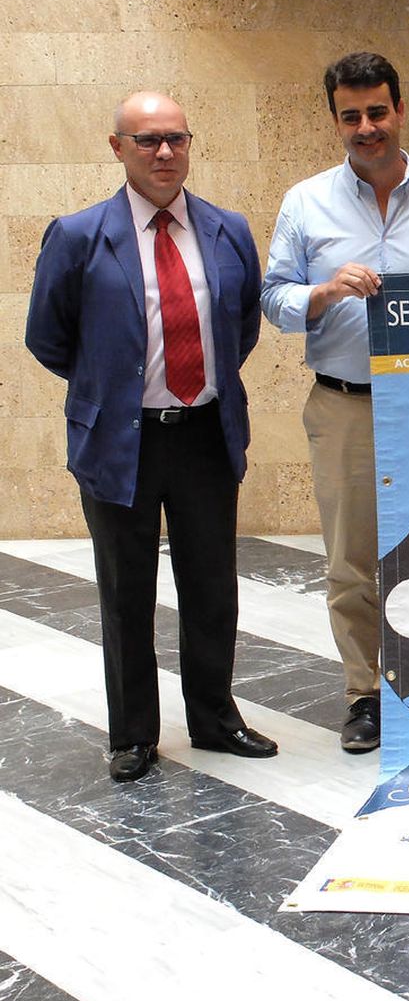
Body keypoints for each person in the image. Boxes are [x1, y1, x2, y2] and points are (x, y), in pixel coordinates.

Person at [25, 92, 277, 781]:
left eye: (176, 138)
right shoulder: (79, 236)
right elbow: (46, 337)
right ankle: (133, 734)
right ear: (117, 148)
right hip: (120, 439)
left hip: (203, 434)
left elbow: (241, 326)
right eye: (147, 141)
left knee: (211, 586)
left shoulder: (227, 231)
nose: (164, 153)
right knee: (125, 589)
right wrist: (109, 384)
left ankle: (216, 719)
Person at [262, 53, 409, 753]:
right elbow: (273, 297)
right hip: (346, 405)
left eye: (377, 111)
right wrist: (321, 294)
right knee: (352, 561)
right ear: (335, 120)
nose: (366, 127)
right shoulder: (305, 201)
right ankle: (366, 695)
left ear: (401, 110)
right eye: (350, 116)